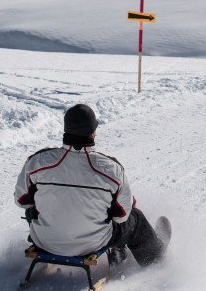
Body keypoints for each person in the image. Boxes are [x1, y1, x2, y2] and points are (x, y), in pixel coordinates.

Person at [14, 103, 168, 266]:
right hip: (93, 243)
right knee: (134, 218)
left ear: (66, 129)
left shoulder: (37, 161)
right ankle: (154, 258)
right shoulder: (110, 169)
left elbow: (20, 200)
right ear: (93, 133)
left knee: (34, 204)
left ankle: (55, 233)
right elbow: (122, 215)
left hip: (44, 241)